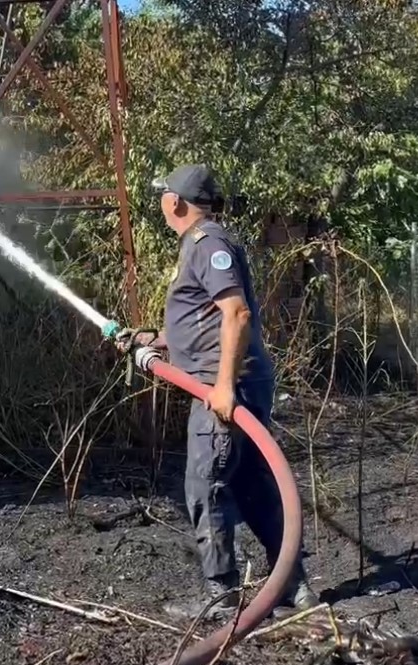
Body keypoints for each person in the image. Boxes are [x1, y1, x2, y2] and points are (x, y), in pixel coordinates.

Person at [125, 164, 317, 621]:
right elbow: (205, 319)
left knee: (204, 484)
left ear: (176, 203)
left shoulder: (207, 244)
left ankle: (222, 597)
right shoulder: (203, 242)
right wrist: (155, 340)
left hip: (225, 387)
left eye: (163, 196)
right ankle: (294, 586)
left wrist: (224, 388)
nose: (161, 203)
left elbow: (236, 315)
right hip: (230, 381)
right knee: (249, 482)